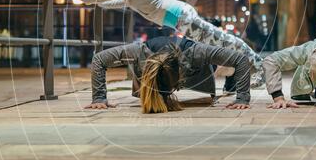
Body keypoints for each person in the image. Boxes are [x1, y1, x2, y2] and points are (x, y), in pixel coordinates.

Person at [78, 0, 263, 86]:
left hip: (179, 15)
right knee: (215, 43)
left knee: (220, 40)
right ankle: (244, 71)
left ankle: (258, 65)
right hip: (177, 18)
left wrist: (90, 0)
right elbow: (121, 2)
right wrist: (98, 3)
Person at [86, 35, 251, 113]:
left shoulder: (197, 52)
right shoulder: (138, 52)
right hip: (152, 68)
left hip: (197, 73)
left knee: (228, 66)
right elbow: (99, 60)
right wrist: (99, 98)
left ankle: (231, 83)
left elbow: (241, 60)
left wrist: (242, 97)